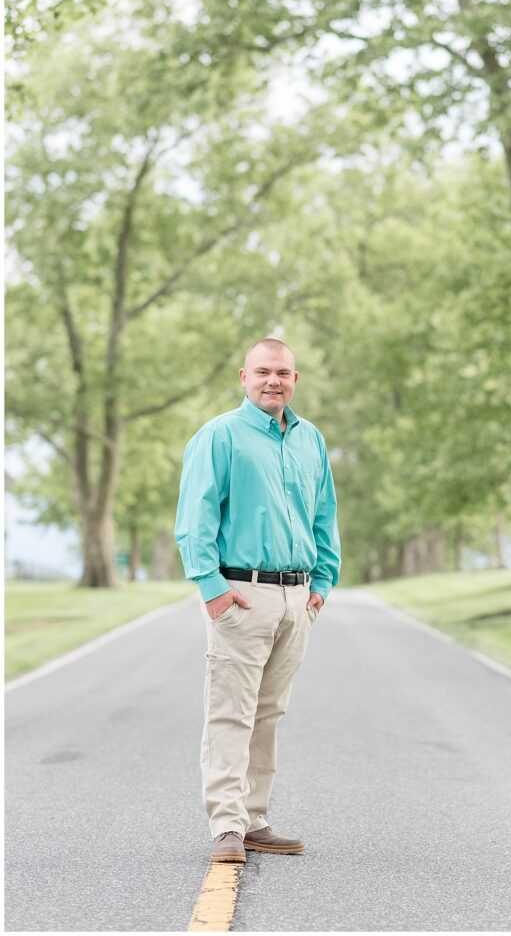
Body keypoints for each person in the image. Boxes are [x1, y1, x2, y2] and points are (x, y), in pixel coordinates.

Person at [174, 338, 341, 864]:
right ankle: (226, 825)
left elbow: (324, 516)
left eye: (284, 372)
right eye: (264, 371)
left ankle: (255, 818)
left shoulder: (310, 439)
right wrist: (212, 589)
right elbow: (194, 520)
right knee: (231, 712)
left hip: (297, 599)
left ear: (296, 380)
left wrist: (321, 585)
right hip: (241, 594)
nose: (274, 380)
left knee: (268, 712)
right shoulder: (220, 436)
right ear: (243, 377)